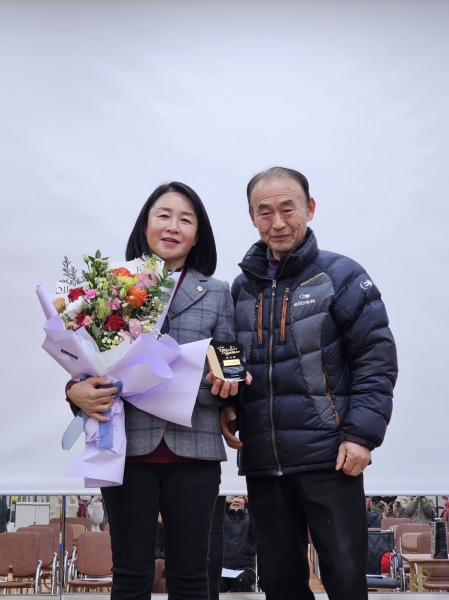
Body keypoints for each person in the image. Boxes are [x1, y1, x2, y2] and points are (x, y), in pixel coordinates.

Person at [218, 167, 398, 600]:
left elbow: (375, 361)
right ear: (252, 216)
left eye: (288, 208)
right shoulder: (241, 289)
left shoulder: (342, 275)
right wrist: (228, 405)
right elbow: (234, 365)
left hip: (330, 459)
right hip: (264, 464)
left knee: (346, 581)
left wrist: (361, 436)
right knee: (280, 585)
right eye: (265, 212)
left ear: (309, 208)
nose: (277, 222)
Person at [66, 181, 239, 600]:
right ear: (145, 225)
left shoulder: (218, 293)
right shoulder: (112, 285)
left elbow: (230, 362)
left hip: (194, 450)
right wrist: (74, 390)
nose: (173, 226)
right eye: (164, 215)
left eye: (186, 219)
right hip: (126, 449)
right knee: (129, 574)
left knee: (191, 576)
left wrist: (229, 387)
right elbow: (87, 360)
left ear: (197, 234)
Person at [219, 495, 256, 593]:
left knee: (240, 581)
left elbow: (257, 519)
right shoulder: (221, 519)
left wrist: (250, 502)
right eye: (233, 497)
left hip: (245, 569)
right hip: (222, 568)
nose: (236, 500)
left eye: (240, 497)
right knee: (217, 582)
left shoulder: (250, 521)